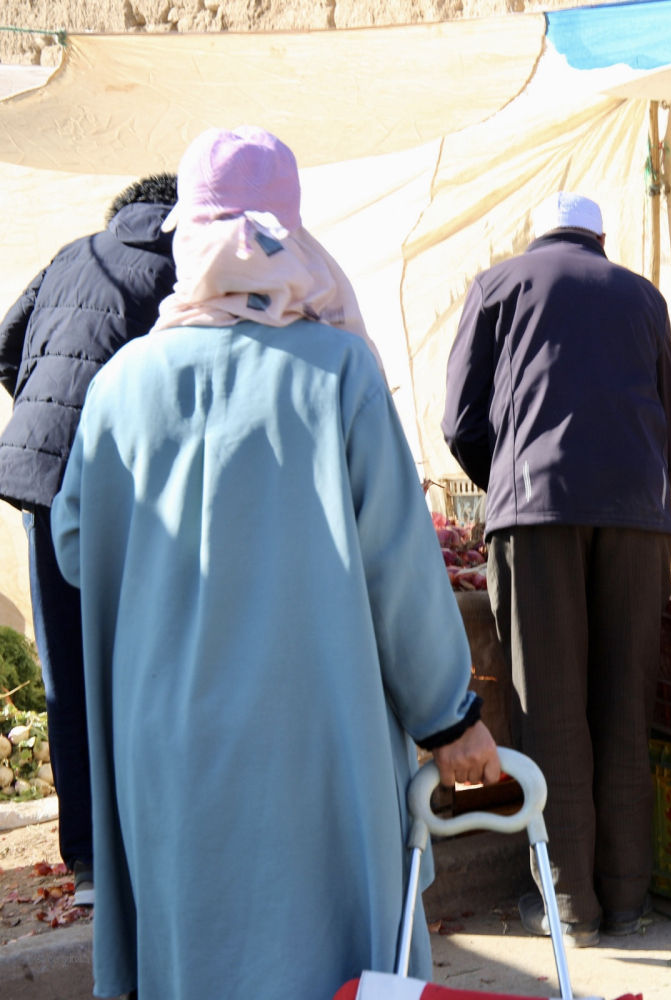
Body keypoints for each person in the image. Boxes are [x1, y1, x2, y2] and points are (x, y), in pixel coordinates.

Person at [50, 126, 502, 1000]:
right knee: (332, 961)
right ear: (289, 238)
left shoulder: (119, 387)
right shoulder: (338, 373)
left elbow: (77, 546)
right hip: (316, 740)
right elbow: (398, 569)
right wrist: (449, 720)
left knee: (197, 959)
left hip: (167, 745)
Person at [443, 192, 671, 947]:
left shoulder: (500, 284)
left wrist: (514, 480)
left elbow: (460, 421)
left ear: (539, 232)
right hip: (636, 518)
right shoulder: (643, 296)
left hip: (535, 516)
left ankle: (567, 906)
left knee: (549, 707)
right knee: (623, 700)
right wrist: (646, 494)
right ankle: (627, 898)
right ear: (600, 238)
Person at [0, 172, 181, 905]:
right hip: (121, 484)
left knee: (68, 672)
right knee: (145, 666)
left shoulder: (74, 254)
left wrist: (45, 408)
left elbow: (7, 345)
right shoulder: (179, 265)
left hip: (41, 476)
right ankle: (149, 845)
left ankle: (88, 865)